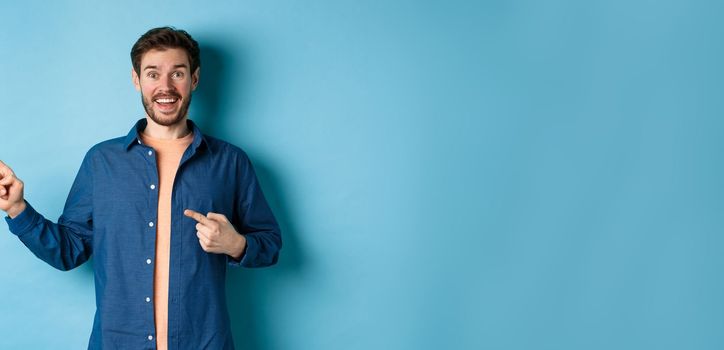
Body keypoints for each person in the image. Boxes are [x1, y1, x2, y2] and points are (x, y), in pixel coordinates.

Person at [0, 27, 282, 350]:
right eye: (153, 74)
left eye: (177, 73)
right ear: (137, 80)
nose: (165, 87)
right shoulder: (101, 162)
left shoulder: (230, 163)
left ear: (195, 79)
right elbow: (68, 250)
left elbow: (270, 243)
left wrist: (236, 244)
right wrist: (16, 209)